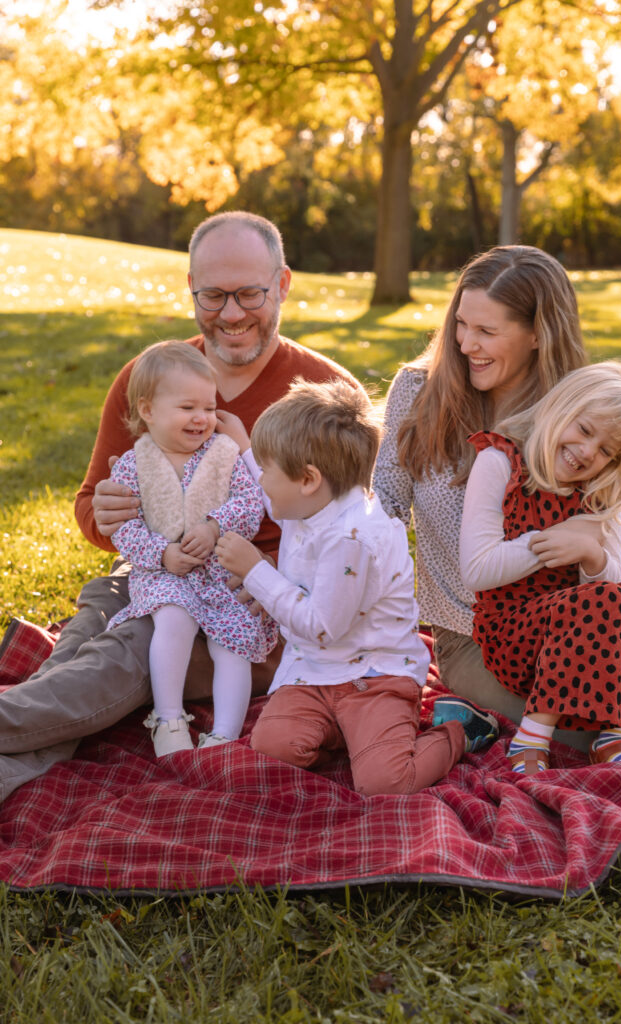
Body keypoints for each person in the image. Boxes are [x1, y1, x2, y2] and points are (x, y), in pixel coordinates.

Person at [0, 211, 359, 801]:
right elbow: (91, 509)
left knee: (121, 654)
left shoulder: (323, 395)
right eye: (213, 295)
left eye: (250, 293)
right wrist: (107, 514)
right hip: (147, 571)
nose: (233, 313)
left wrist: (271, 580)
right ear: (191, 288)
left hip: (253, 605)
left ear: (284, 284)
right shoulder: (149, 380)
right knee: (82, 646)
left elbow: (353, 538)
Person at [373, 244, 621, 752]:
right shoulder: (418, 393)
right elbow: (381, 507)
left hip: (569, 631)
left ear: (538, 334)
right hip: (471, 637)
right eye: (461, 325)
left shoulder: (576, 419)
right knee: (584, 729)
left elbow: (607, 568)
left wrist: (592, 551)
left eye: (487, 332)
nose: (468, 343)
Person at [214, 378, 499, 796]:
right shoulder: (307, 500)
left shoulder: (352, 540)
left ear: (308, 478)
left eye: (267, 470)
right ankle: (349, 735)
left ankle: (455, 730)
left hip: (374, 674)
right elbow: (268, 475)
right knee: (272, 748)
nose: (259, 482)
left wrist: (257, 572)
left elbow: (322, 626)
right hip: (313, 674)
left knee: (384, 782)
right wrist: (242, 442)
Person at [459, 362, 621, 775]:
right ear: (560, 408)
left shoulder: (602, 489)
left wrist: (591, 555)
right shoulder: (500, 462)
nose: (586, 452)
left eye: (605, 451)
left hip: (591, 637)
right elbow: (477, 569)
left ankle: (620, 732)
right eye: (583, 430)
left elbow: (612, 593)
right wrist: (556, 537)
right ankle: (532, 738)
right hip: (516, 633)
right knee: (602, 599)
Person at [107, 341, 279, 755]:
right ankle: (168, 719)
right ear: (148, 411)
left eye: (209, 407)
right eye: (187, 408)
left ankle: (225, 733)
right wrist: (161, 553)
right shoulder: (135, 463)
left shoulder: (222, 455)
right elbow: (124, 528)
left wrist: (216, 524)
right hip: (164, 572)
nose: (202, 418)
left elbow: (249, 500)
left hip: (220, 571)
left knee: (232, 640)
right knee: (174, 620)